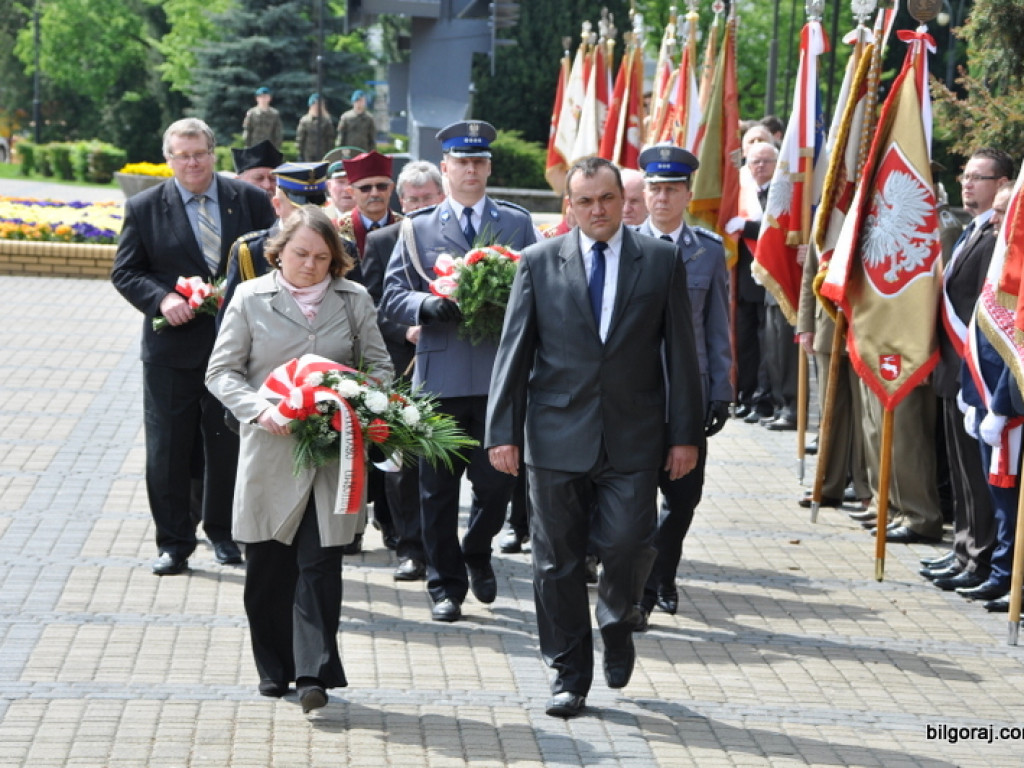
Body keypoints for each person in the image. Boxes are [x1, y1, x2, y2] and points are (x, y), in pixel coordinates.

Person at [485, 156, 704, 719]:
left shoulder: (659, 260)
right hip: (554, 435)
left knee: (628, 542)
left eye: (607, 198)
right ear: (570, 207)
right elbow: (514, 353)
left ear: (622, 200)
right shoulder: (538, 261)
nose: (597, 210)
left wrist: (685, 435)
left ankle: (617, 620)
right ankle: (568, 673)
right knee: (555, 562)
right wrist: (502, 433)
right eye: (584, 201)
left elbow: (682, 353)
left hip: (634, 435)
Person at [207, 205, 393, 712]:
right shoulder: (250, 297)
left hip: (332, 455)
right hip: (271, 449)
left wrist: (355, 399)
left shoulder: (353, 299)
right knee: (267, 567)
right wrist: (261, 410)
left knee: (319, 562)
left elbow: (379, 365)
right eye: (301, 254)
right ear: (279, 252)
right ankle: (275, 667)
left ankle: (314, 673)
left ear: (336, 259)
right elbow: (221, 373)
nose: (310, 265)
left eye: (322, 257)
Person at [381, 120, 537, 623]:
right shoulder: (417, 227)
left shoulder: (517, 224)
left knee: (497, 485)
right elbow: (391, 295)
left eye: (479, 161)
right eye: (461, 162)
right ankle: (444, 585)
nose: (471, 170)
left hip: (497, 377)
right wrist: (424, 305)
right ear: (444, 168)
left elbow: (539, 288)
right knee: (437, 491)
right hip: (441, 378)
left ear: (489, 167)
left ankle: (477, 549)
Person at [111, 117, 276, 575]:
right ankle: (174, 542)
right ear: (169, 159)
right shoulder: (145, 207)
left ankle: (223, 533)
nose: (192, 163)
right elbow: (125, 271)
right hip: (171, 351)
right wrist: (162, 299)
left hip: (236, 348)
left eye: (199, 153)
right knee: (168, 449)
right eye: (182, 156)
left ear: (213, 152)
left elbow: (274, 258)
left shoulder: (248, 199)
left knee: (227, 443)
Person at [634, 145, 731, 624]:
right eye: (655, 189)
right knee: (634, 497)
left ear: (688, 195)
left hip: (688, 394)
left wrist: (722, 391)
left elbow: (717, 327)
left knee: (683, 497)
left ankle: (661, 570)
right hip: (633, 394)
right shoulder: (625, 245)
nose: (662, 198)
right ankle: (647, 584)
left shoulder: (707, 251)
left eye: (672, 190)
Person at [923, 149, 1012, 573]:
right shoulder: (970, 231)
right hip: (952, 368)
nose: (968, 184)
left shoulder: (996, 241)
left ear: (1002, 183)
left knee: (976, 473)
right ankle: (962, 547)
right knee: (960, 469)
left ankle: (979, 555)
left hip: (973, 371)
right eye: (966, 176)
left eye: (979, 177)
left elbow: (985, 312)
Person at [361, 160, 445, 581]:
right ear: (401, 201)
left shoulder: (455, 239)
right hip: (402, 366)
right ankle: (410, 547)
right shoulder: (382, 241)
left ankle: (446, 548)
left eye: (427, 198)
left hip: (449, 366)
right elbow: (371, 305)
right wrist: (406, 329)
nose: (419, 205)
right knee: (402, 462)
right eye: (411, 199)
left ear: (441, 197)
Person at [221, 161, 329, 314]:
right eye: (298, 209)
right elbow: (231, 317)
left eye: (316, 209)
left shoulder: (342, 247)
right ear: (277, 205)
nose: (309, 217)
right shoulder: (251, 250)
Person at [727, 140, 777, 422]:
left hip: (769, 279)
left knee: (766, 346)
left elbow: (776, 229)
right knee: (745, 344)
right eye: (755, 161)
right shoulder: (742, 191)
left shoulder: (780, 192)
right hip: (743, 281)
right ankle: (745, 396)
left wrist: (746, 227)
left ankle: (764, 400)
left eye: (766, 161)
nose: (760, 166)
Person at [337, 150, 401, 283]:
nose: (374, 193)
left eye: (381, 186)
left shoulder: (406, 228)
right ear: (351, 192)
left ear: (391, 189)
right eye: (365, 188)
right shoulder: (335, 229)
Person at [296, 94, 334, 162]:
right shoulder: (304, 120)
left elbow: (330, 139)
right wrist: (300, 153)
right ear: (311, 106)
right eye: (315, 104)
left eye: (320, 105)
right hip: (308, 154)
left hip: (322, 153)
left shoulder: (327, 121)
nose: (317, 107)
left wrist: (329, 153)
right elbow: (300, 138)